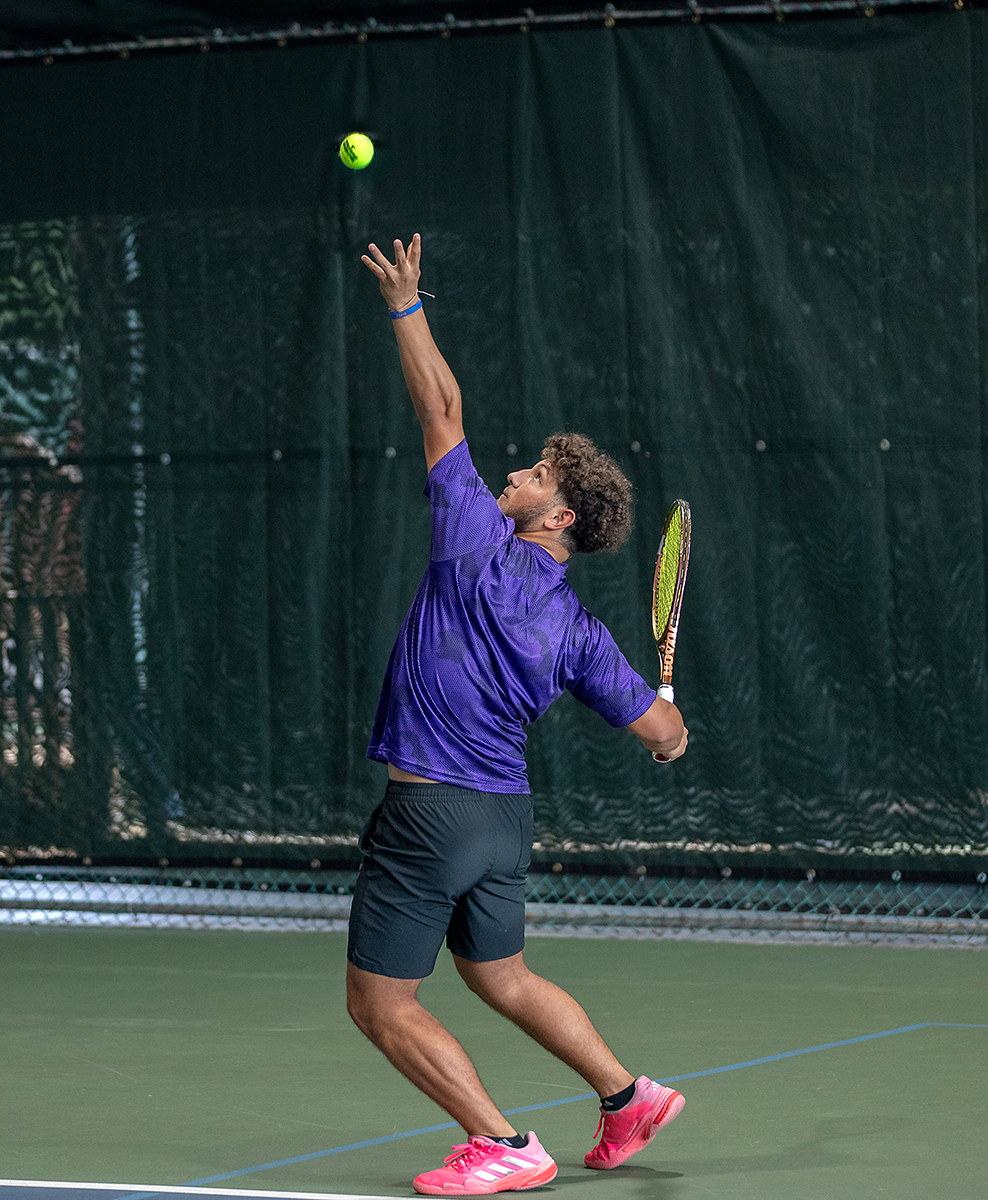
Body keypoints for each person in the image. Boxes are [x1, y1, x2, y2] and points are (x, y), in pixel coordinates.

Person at [348, 234, 690, 1197]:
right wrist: (672, 724)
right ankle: (627, 1096)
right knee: (498, 975)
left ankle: (501, 1142)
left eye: (536, 475)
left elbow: (441, 409)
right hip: (502, 821)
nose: (516, 475)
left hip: (430, 813)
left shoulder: (473, 541)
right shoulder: (581, 631)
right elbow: (662, 736)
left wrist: (406, 305)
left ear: (559, 516)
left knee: (379, 1003)